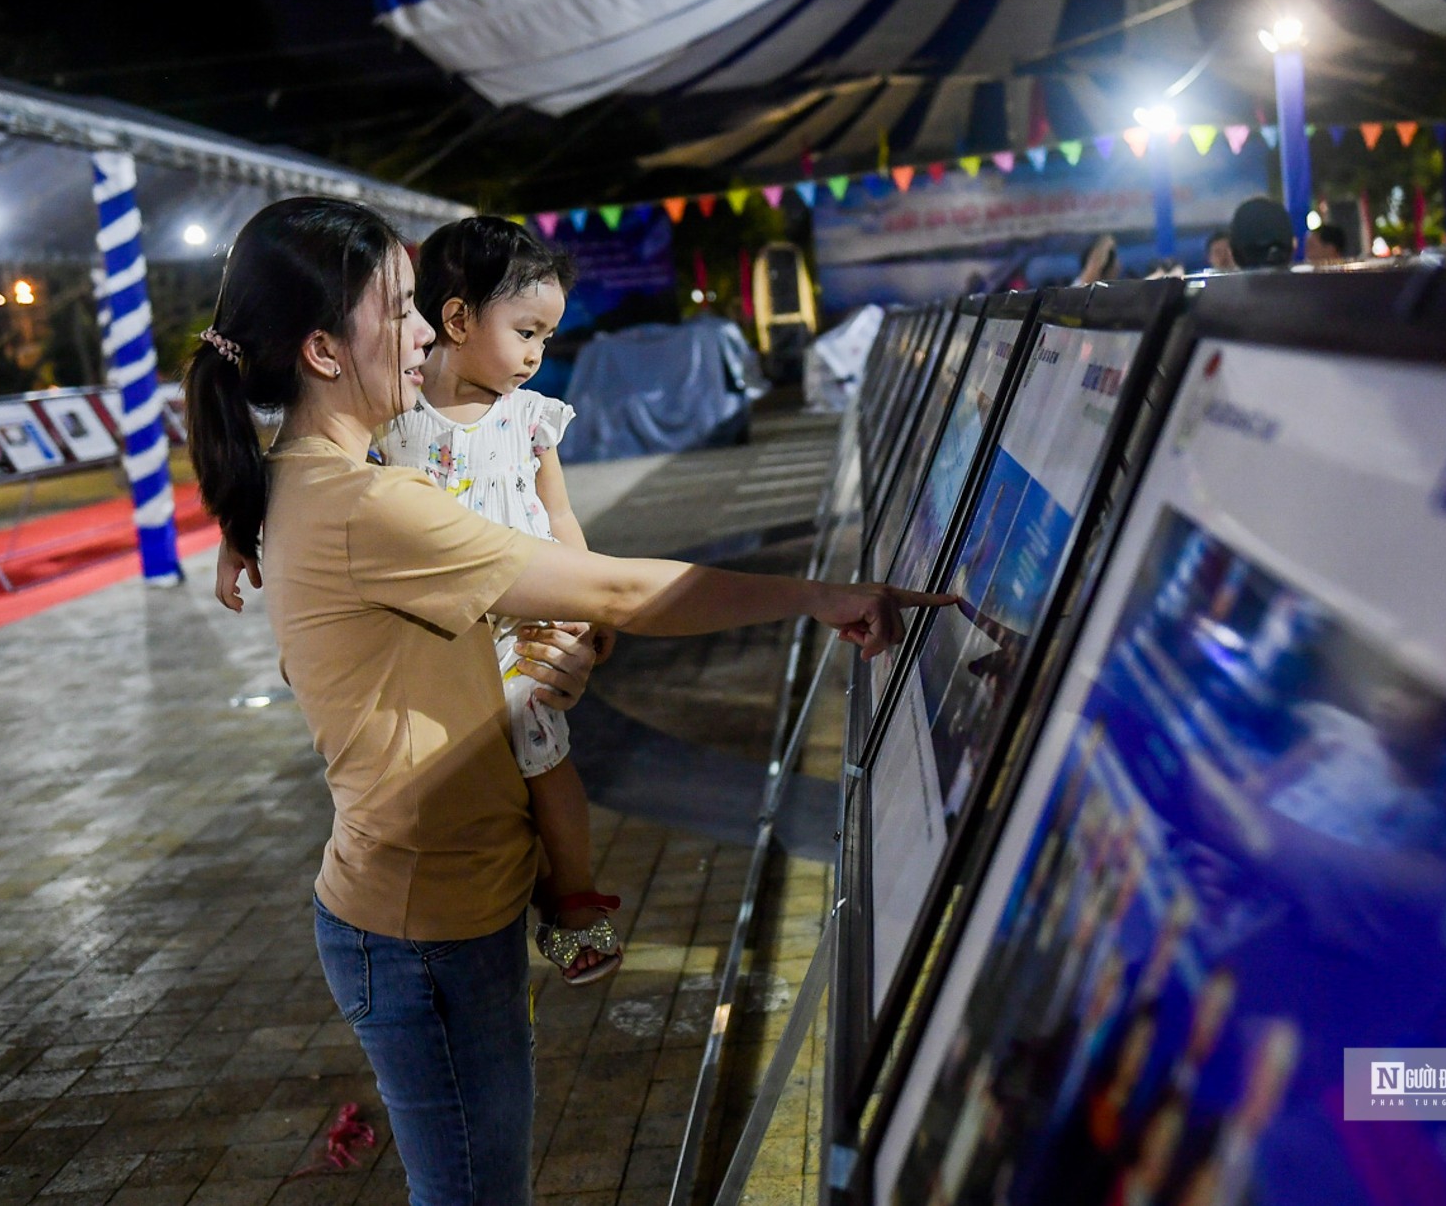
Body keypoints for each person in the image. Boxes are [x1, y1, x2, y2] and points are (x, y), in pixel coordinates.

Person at [190, 196, 946, 1206]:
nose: (423, 330)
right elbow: (618, 589)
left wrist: (567, 644)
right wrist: (820, 596)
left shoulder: (328, 482)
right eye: (403, 308)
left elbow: (537, 603)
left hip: (441, 907)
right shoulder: (367, 502)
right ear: (324, 349)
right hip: (424, 928)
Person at [381, 216, 619, 986]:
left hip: (525, 634)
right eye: (526, 331)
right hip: (434, 649)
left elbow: (560, 517)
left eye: (547, 337)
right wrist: (239, 537)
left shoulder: (531, 418)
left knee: (549, 768)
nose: (536, 354)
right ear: (455, 318)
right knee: (460, 794)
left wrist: (592, 602)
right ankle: (480, 924)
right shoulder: (389, 418)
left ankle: (576, 902)